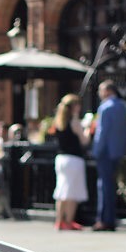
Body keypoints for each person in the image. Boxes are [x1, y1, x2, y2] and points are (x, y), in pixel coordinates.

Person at [90, 80, 126, 231]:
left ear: (107, 91)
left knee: (104, 186)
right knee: (110, 186)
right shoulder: (122, 106)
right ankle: (110, 219)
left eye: (101, 90)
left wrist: (95, 151)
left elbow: (102, 132)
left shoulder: (105, 108)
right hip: (117, 151)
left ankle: (104, 220)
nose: (99, 94)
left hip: (105, 152)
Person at [51, 94, 89, 231]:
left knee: (61, 190)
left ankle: (59, 220)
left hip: (61, 159)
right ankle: (68, 221)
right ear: (74, 107)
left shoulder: (59, 121)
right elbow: (84, 141)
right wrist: (88, 130)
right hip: (73, 159)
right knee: (71, 191)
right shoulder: (75, 122)